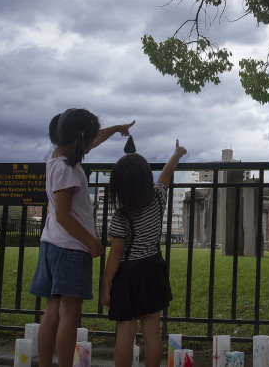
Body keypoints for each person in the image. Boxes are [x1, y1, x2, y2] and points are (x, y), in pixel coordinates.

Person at [29, 108, 135, 367]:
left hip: (51, 245)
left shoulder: (56, 158)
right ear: (79, 140)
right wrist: (92, 243)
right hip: (71, 249)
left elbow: (93, 140)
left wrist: (116, 128)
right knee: (69, 315)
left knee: (51, 312)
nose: (91, 146)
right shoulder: (67, 169)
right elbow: (65, 216)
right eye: (89, 140)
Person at [100, 140, 187, 367]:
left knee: (125, 330)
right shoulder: (158, 199)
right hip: (152, 268)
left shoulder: (121, 216)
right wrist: (177, 153)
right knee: (152, 329)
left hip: (127, 274)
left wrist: (106, 282)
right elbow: (166, 173)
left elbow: (115, 255)